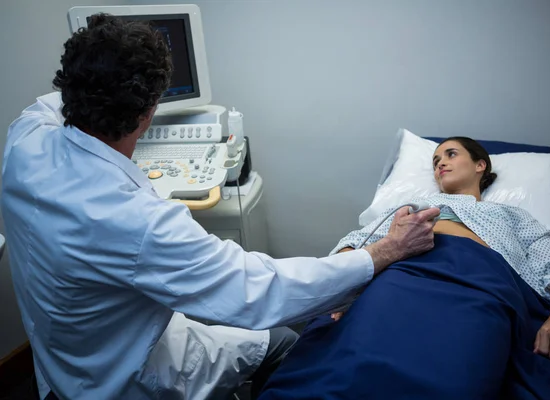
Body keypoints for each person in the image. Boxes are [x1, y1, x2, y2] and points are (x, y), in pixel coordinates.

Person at [0, 14, 439, 400]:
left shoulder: (26, 136)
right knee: (284, 340)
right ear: (149, 111)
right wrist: (385, 251)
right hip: (123, 379)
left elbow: (56, 100)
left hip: (64, 359)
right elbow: (258, 290)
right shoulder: (136, 220)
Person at [332, 136, 550, 360]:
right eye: (435, 161)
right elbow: (358, 240)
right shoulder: (410, 207)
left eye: (451, 154)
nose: (441, 163)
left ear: (480, 165)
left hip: (482, 282)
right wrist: (343, 283)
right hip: (404, 272)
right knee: (367, 338)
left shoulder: (513, 215)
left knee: (462, 350)